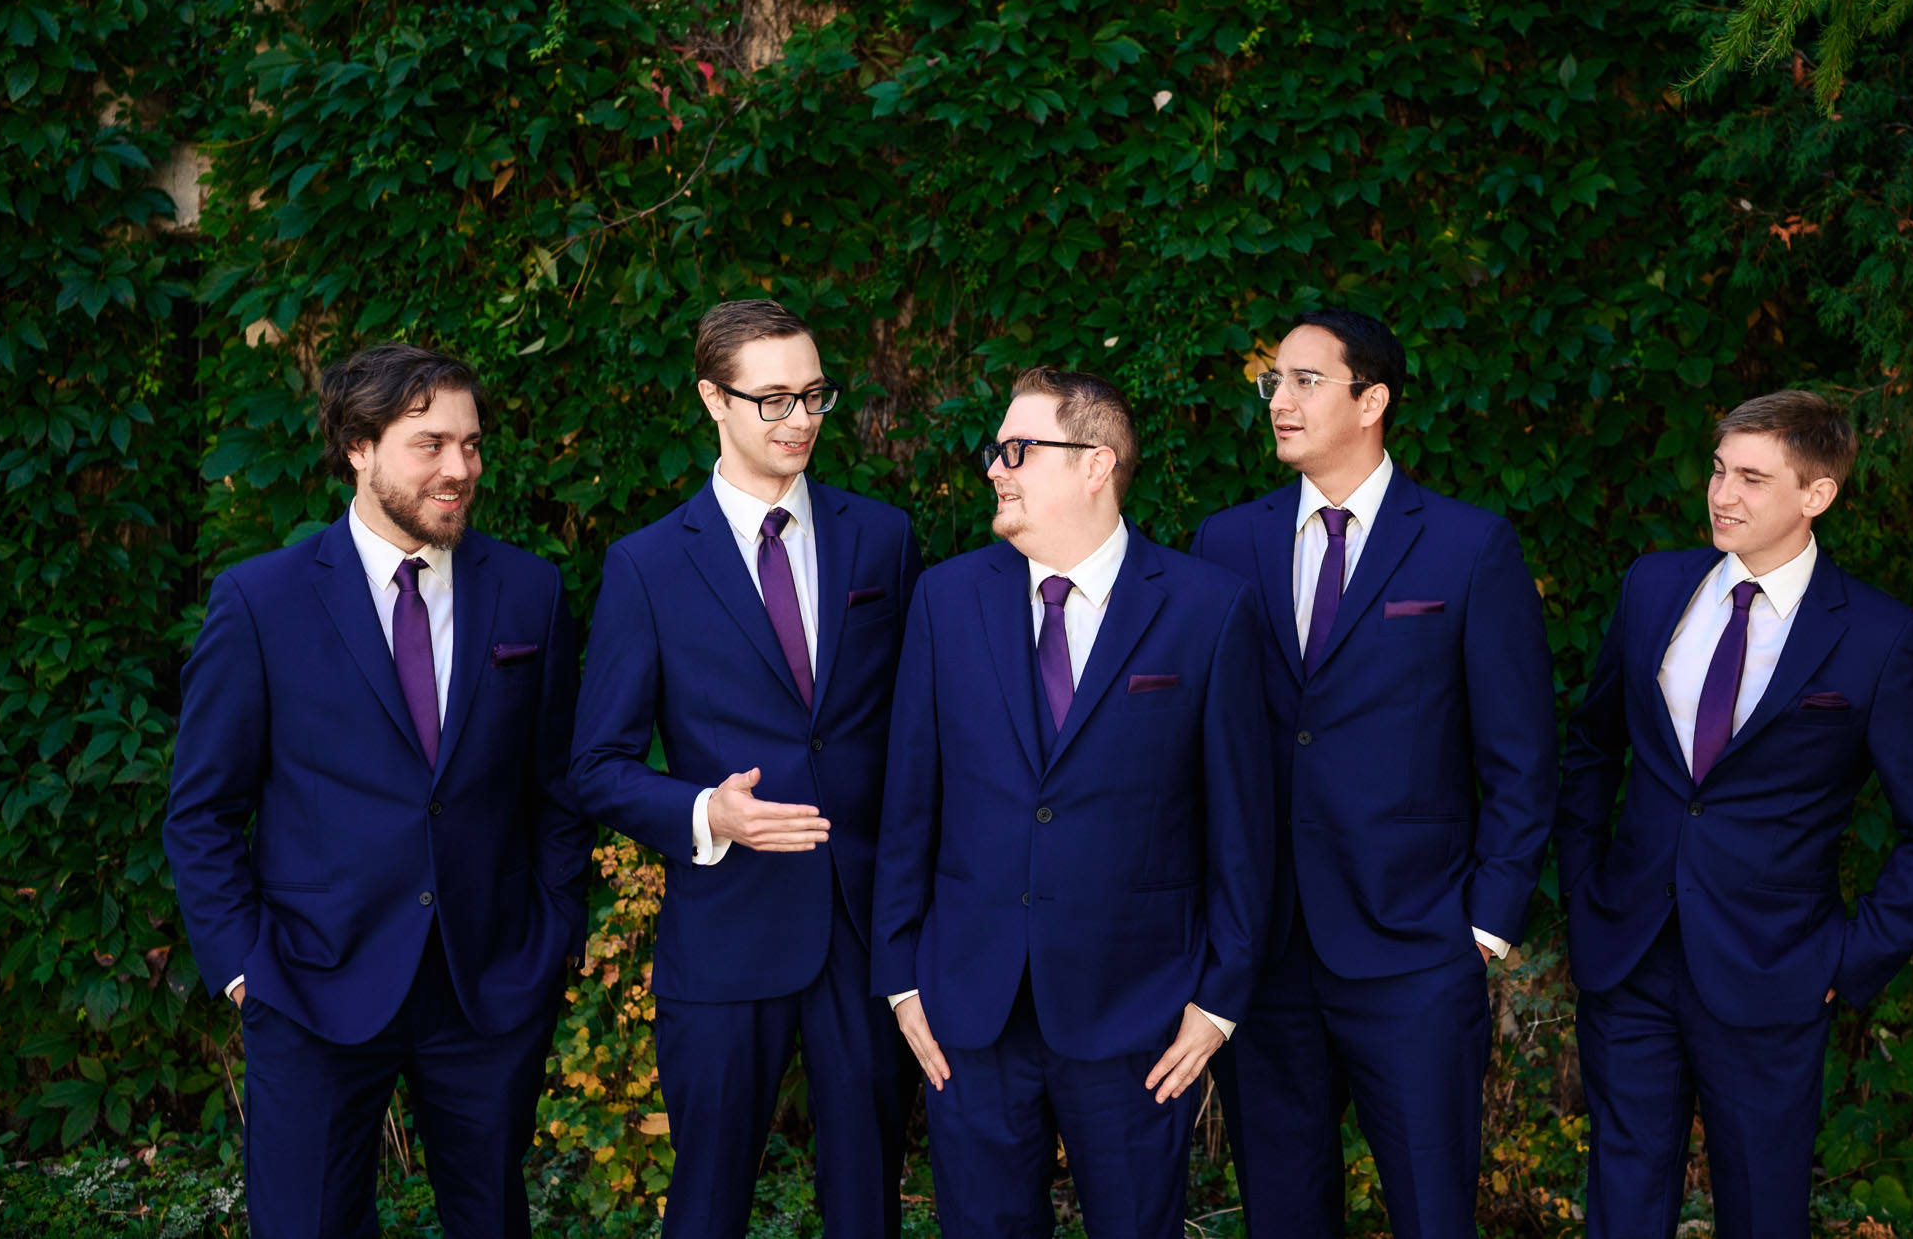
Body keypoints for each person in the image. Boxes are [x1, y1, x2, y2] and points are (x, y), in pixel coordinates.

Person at [164, 343, 590, 1239]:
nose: (460, 467)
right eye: (429, 443)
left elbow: (555, 787)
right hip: (309, 983)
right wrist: (245, 970)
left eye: (471, 444)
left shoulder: (529, 591)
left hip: (486, 984)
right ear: (358, 447)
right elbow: (202, 812)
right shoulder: (260, 602)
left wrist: (551, 932)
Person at [1554, 390, 1913, 1239]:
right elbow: (1592, 746)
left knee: (1762, 1211)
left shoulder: (1877, 637)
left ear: (1817, 493)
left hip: (1775, 967)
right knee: (1622, 1203)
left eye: (1752, 477)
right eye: (1718, 470)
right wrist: (1584, 886)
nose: (1722, 494)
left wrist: (1849, 958)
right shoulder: (1652, 586)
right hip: (1629, 950)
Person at [872, 368, 1273, 1239]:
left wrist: (1219, 1001)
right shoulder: (946, 599)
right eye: (996, 450)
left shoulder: (1207, 609)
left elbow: (1242, 826)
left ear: (1097, 464)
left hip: (1139, 1011)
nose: (994, 468)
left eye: (1018, 449)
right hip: (968, 1010)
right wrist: (901, 979)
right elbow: (909, 802)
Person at [1189, 306, 1558, 1239]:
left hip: (1416, 950)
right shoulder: (1224, 543)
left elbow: (1520, 754)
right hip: (1266, 952)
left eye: (1306, 380)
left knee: (1434, 1212)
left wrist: (1484, 928)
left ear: (1373, 400)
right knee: (1282, 1215)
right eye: (1273, 380)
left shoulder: (1469, 547)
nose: (1280, 398)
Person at [569, 300, 922, 1239]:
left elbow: (916, 730)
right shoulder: (646, 565)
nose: (800, 419)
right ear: (712, 399)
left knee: (869, 1201)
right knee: (708, 1204)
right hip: (724, 933)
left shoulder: (882, 538)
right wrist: (706, 814)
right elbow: (596, 765)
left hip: (864, 925)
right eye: (772, 399)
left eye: (813, 394)